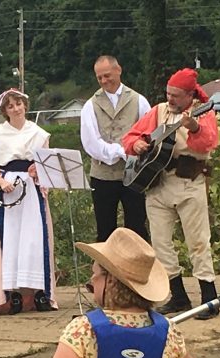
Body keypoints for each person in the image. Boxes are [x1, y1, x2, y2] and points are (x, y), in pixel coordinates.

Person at [0, 228, 195, 358]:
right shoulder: (168, 330)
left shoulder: (83, 329)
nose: (91, 281)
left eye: (95, 275)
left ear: (112, 282)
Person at [121, 68, 220, 320]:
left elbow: (208, 143)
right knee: (161, 243)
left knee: (198, 241)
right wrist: (137, 144)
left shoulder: (204, 112)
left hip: (189, 181)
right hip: (158, 182)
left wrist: (194, 128)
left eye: (176, 95)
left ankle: (209, 298)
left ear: (190, 96)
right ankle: (177, 296)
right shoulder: (158, 111)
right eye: (168, 93)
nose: (170, 99)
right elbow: (130, 136)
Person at [0, 88, 59, 314]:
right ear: (5, 111)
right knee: (11, 240)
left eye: (18, 104)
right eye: (10, 106)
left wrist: (38, 170)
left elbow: (46, 163)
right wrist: (0, 181)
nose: (15, 109)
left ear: (25, 105)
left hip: (31, 191)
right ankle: (11, 294)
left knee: (34, 240)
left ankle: (38, 293)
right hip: (9, 191)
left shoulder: (38, 133)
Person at [79, 55, 151, 242]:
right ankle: (106, 271)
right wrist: (120, 151)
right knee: (104, 229)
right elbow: (91, 143)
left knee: (137, 228)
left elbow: (149, 132)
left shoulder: (139, 101)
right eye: (99, 77)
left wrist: (137, 149)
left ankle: (137, 269)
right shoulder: (90, 106)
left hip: (134, 174)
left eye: (107, 75)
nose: (104, 81)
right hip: (102, 176)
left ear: (118, 70)